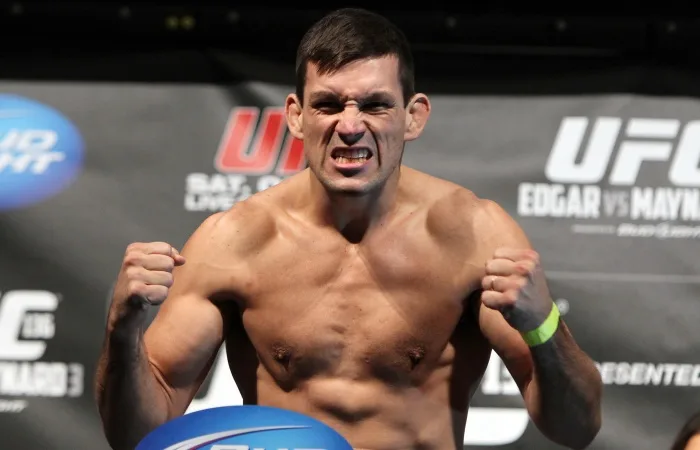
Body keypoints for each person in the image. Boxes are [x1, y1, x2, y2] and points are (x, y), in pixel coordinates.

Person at [95, 8, 602, 450]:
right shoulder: (233, 243)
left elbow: (576, 429)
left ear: (413, 116)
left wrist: (543, 326)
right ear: (296, 116)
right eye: (329, 104)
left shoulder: (474, 235)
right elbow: (139, 435)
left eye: (376, 104)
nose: (351, 124)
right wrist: (123, 333)